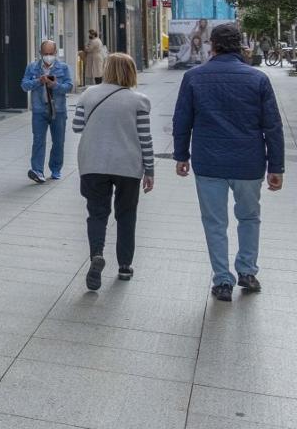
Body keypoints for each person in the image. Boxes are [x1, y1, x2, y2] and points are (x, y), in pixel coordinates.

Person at [174, 23, 284, 302]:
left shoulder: (194, 77)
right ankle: (247, 270)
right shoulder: (257, 79)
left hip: (209, 162)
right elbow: (272, 126)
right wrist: (276, 167)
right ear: (239, 46)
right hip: (249, 162)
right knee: (249, 217)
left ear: (213, 45)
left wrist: (181, 156)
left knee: (214, 222)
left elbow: (182, 120)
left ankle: (223, 280)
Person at [72, 53, 155, 290]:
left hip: (93, 163)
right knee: (126, 215)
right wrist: (150, 170)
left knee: (97, 213)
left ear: (107, 69)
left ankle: (97, 254)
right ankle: (125, 266)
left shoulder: (89, 93)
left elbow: (77, 126)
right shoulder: (139, 100)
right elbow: (145, 139)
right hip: (128, 165)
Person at [22, 40, 74, 183]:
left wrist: (54, 84)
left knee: (58, 141)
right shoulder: (32, 68)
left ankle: (56, 169)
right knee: (38, 140)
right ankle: (37, 171)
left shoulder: (63, 68)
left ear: (56, 53)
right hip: (39, 109)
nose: (48, 56)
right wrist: (39, 81)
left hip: (58, 110)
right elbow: (24, 85)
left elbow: (69, 86)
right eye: (45, 54)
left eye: (51, 54)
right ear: (40, 53)